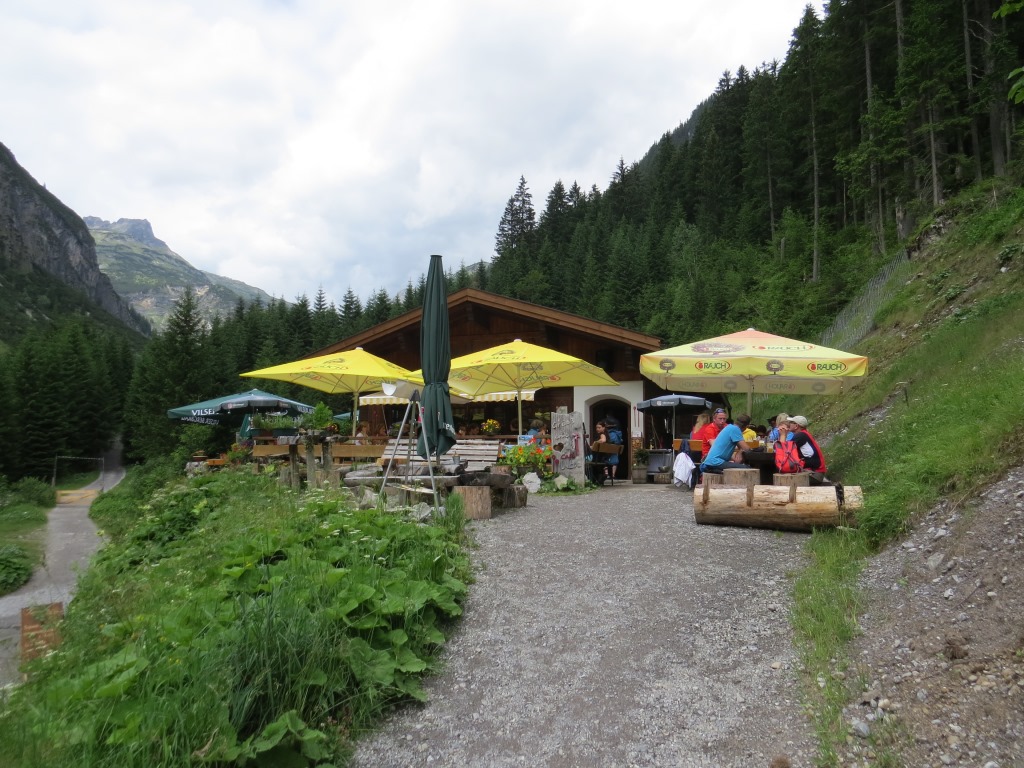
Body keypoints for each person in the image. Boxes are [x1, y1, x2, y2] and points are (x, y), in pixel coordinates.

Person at [786, 415, 828, 485]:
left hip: (815, 474)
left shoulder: (800, 435)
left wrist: (783, 434)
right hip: (815, 472)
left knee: (786, 480)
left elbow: (785, 450)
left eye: (791, 422)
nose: (789, 424)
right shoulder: (803, 434)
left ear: (796, 426)